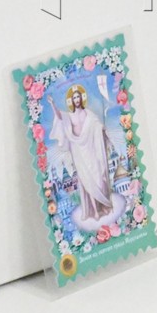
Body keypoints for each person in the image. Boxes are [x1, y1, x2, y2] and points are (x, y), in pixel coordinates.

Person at [48, 84, 120, 229]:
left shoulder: (88, 113)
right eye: (74, 98)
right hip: (78, 151)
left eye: (78, 97)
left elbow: (97, 125)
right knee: (86, 180)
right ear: (71, 101)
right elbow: (60, 117)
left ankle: (103, 205)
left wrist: (102, 129)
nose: (76, 99)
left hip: (91, 149)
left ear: (81, 98)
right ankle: (95, 211)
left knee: (97, 177)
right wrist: (52, 104)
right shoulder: (70, 115)